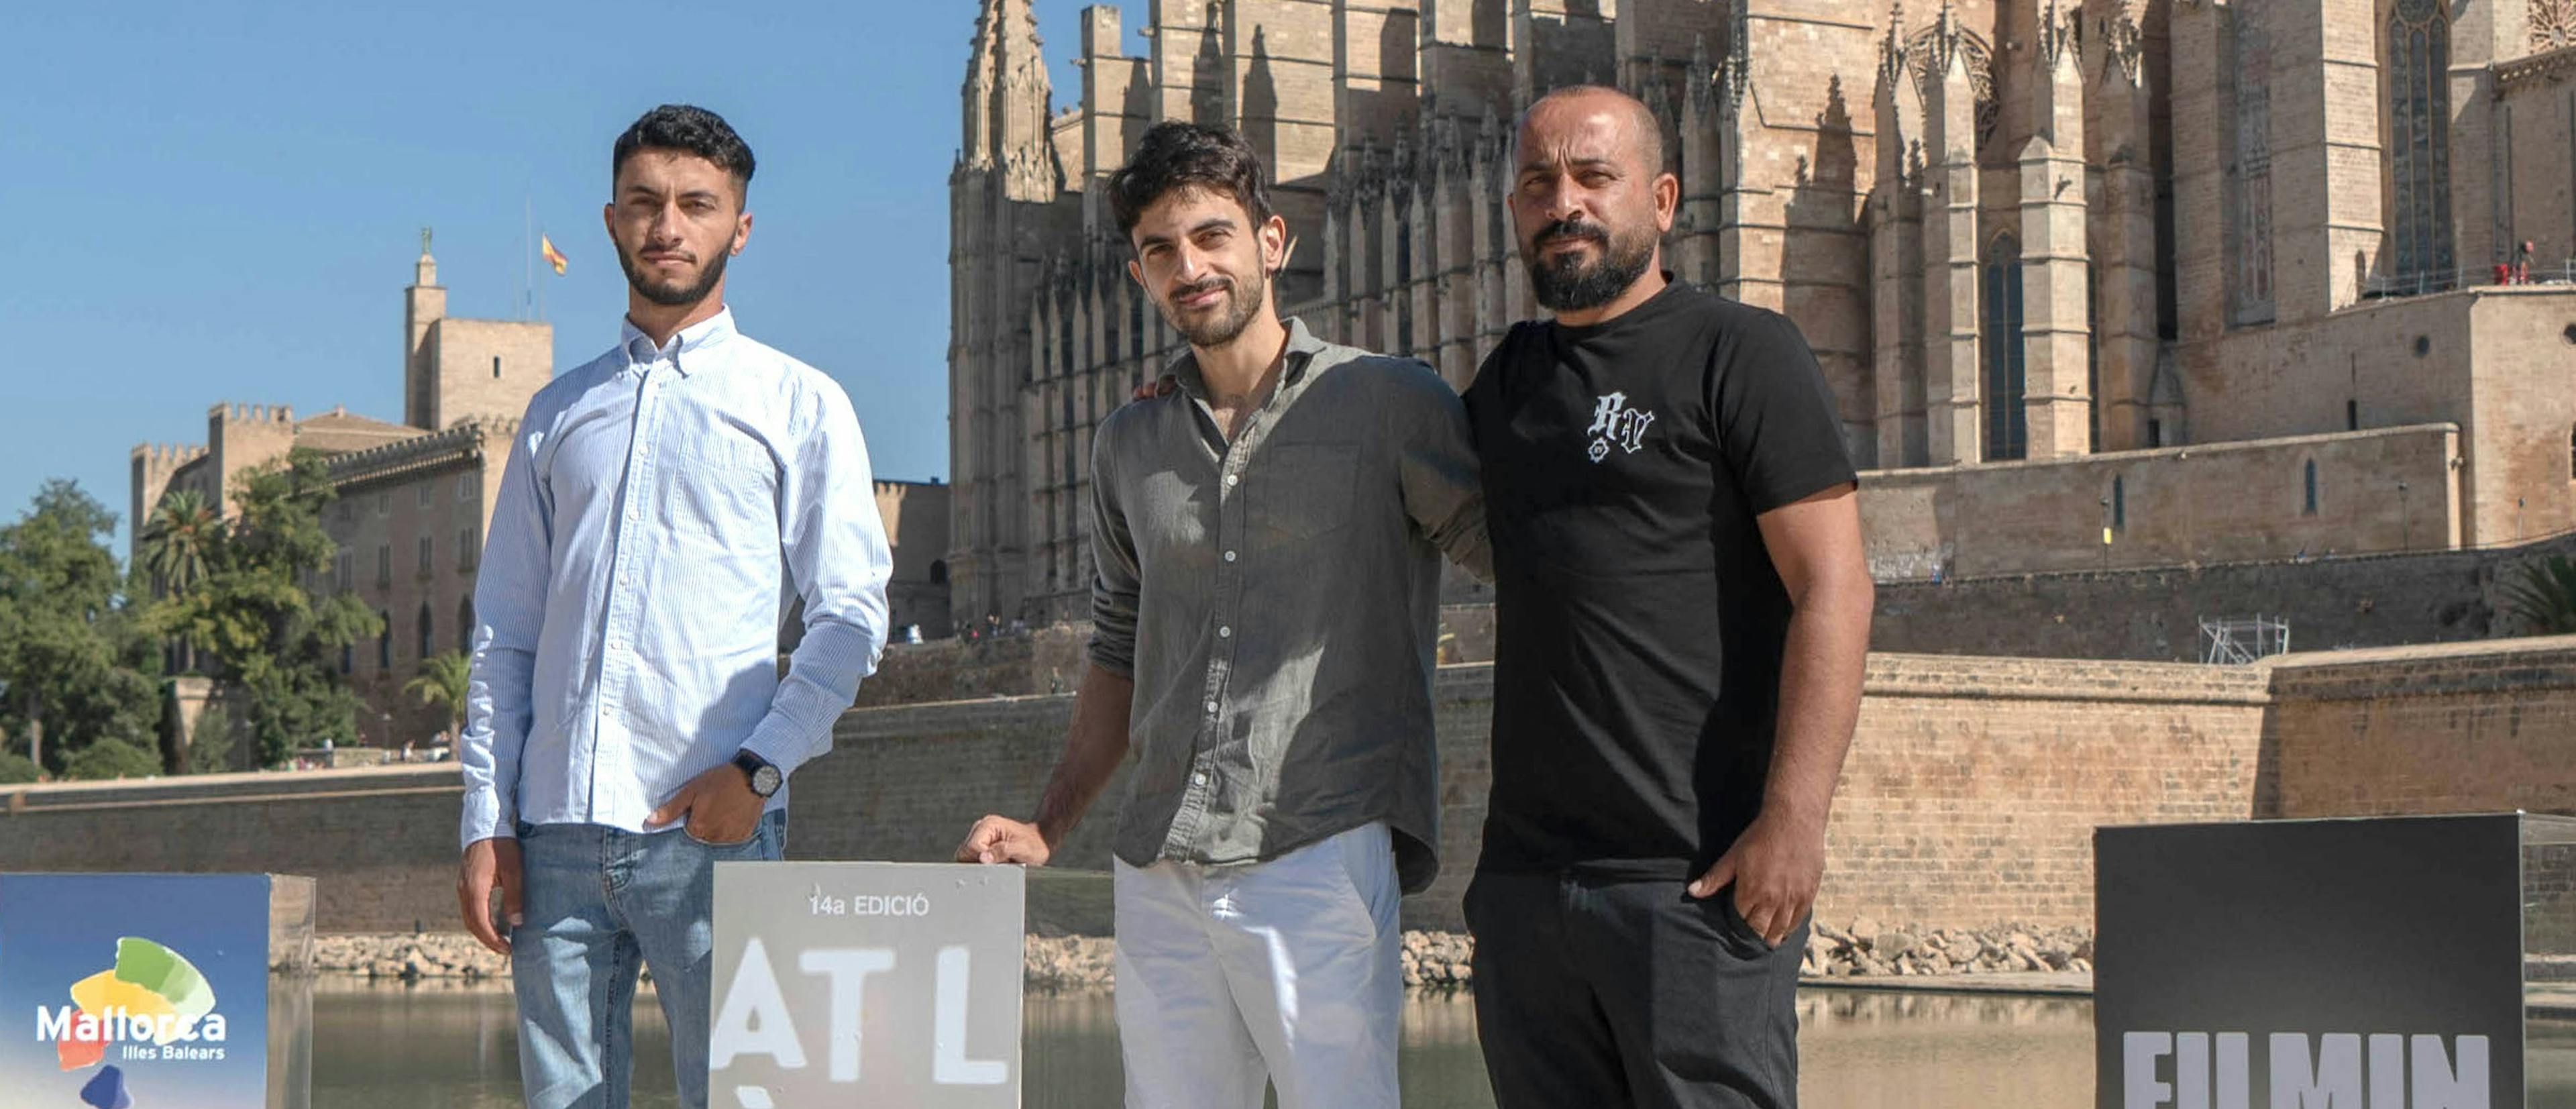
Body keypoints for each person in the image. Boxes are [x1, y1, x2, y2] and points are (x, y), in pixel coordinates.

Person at [955, 120, 1487, 1109]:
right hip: (1157, 865)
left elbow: (1522, 560)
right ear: (1138, 274)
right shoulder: (1128, 442)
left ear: (1272, 241)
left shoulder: (1387, 404)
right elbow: (1120, 647)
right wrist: (1047, 822)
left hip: (1315, 849)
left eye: (1211, 236)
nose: (1189, 266)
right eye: (1161, 251)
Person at [454, 103, 892, 1109]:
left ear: (739, 229)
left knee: (741, 1100)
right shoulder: (556, 415)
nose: (669, 226)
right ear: (612, 221)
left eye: (697, 205)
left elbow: (850, 615)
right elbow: (506, 635)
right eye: (647, 203)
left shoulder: (800, 403)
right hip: (554, 832)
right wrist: (488, 817)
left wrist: (759, 766)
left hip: (717, 832)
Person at [1460, 85, 1874, 1108]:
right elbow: (1367, 461)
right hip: (1526, 894)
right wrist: (1207, 381)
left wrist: (1795, 822)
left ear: (1664, 198)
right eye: (1538, 183)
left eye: (1595, 177)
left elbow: (1837, 585)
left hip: (1695, 885)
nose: (1566, 202)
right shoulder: (1506, 383)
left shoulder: (1742, 350)